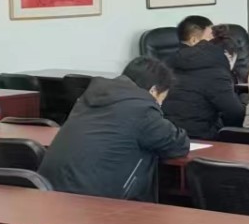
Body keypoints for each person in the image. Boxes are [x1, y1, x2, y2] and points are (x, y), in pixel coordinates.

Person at [39, 57, 190, 200]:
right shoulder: (142, 110)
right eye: (161, 100)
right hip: (89, 203)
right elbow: (177, 144)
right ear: (153, 90)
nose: (160, 105)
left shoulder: (87, 99)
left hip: (48, 193)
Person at [163, 13, 245, 138]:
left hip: (168, 136)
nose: (214, 41)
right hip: (202, 138)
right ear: (194, 40)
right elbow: (235, 114)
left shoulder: (166, 63)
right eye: (210, 38)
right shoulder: (214, 70)